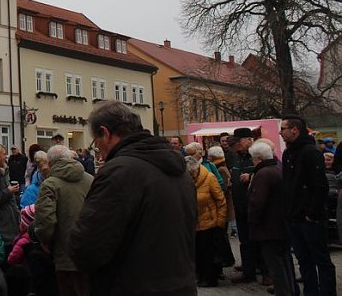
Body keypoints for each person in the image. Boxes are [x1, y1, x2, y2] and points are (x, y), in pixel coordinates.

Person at [68, 101, 196, 295]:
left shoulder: (119, 171)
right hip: (180, 284)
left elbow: (88, 246)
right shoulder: (178, 168)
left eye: (96, 142)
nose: (99, 153)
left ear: (106, 133)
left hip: (131, 285)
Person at [280, 115, 337, 295]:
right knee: (304, 260)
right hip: (294, 216)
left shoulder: (310, 152)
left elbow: (319, 186)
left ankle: (327, 292)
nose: (280, 132)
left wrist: (311, 214)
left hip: (310, 218)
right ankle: (310, 291)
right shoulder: (288, 152)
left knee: (321, 258)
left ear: (294, 130)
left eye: (283, 128)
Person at [34, 145, 93, 296]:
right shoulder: (90, 179)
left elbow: (45, 221)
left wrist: (45, 241)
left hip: (65, 255)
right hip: (92, 251)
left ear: (50, 162)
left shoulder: (50, 184)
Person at [248, 140, 297, 296]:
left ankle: (284, 292)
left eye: (253, 158)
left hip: (268, 227)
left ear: (258, 158)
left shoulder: (263, 174)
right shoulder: (277, 169)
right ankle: (291, 290)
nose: (252, 161)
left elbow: (257, 202)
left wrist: (252, 221)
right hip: (281, 224)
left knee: (276, 266)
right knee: (285, 261)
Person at [228, 126, 263, 283]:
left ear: (248, 140)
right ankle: (248, 272)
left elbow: (270, 172)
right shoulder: (237, 157)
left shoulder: (257, 155)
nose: (236, 146)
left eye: (238, 142)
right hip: (240, 206)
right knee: (245, 241)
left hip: (254, 206)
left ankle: (265, 272)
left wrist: (252, 176)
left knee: (259, 239)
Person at [185, 156, 226, 288]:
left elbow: (221, 201)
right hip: (194, 223)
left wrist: (220, 222)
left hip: (210, 222)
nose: (191, 176)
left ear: (196, 169)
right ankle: (201, 276)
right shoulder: (186, 180)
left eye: (191, 174)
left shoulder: (209, 177)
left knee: (209, 254)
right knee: (198, 253)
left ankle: (210, 279)